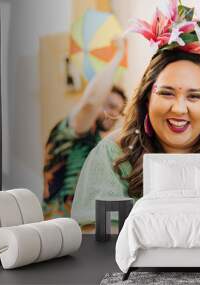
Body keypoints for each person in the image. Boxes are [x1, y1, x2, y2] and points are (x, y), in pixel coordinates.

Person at [71, 0, 200, 229]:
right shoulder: (113, 156)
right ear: (147, 97)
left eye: (194, 96)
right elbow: (96, 238)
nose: (179, 109)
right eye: (167, 93)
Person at [43, 40, 127, 219]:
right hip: (57, 223)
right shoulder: (71, 131)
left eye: (119, 110)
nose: (114, 114)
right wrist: (118, 55)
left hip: (81, 227)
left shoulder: (99, 143)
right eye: (110, 105)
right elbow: (91, 103)